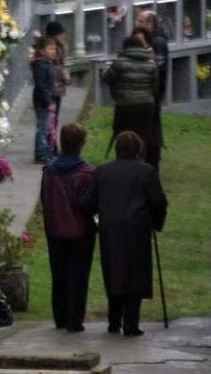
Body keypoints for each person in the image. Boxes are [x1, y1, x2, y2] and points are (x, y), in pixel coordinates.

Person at [85, 131, 168, 337]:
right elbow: (158, 201)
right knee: (135, 274)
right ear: (138, 149)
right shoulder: (146, 171)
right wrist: (155, 223)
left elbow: (87, 202)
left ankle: (114, 321)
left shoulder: (102, 171)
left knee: (114, 271)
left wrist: (96, 219)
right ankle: (131, 324)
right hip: (136, 228)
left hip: (110, 228)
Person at [40, 123, 95, 333]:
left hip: (55, 230)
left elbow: (45, 199)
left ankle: (60, 316)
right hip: (81, 231)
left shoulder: (50, 172)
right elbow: (89, 204)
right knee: (79, 277)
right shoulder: (86, 173)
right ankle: (74, 320)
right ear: (81, 143)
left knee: (59, 275)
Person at [102, 36, 162, 171]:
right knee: (142, 135)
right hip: (146, 105)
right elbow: (155, 87)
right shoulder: (151, 64)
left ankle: (122, 164)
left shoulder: (119, 63)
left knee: (122, 133)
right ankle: (139, 163)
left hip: (125, 104)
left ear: (126, 47)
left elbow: (107, 78)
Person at [31, 36, 59, 164]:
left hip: (48, 99)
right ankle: (41, 153)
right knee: (43, 127)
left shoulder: (47, 64)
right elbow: (41, 85)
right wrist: (48, 102)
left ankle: (47, 151)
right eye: (50, 48)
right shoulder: (41, 65)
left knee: (48, 127)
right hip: (42, 101)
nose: (54, 51)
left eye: (54, 48)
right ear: (42, 51)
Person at [135, 10, 169, 102]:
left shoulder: (158, 42)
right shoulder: (141, 38)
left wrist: (145, 45)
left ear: (150, 24)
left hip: (153, 87)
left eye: (140, 21)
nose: (137, 24)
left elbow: (158, 66)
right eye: (137, 21)